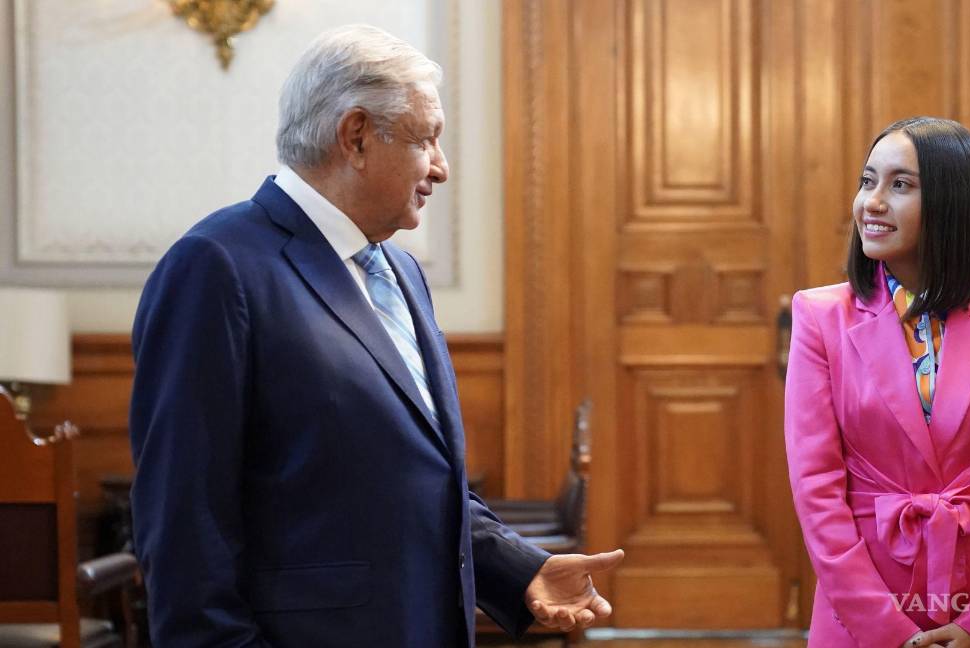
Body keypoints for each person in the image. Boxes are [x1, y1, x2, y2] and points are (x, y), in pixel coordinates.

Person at [129, 24, 623, 648]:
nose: (441, 168)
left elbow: (406, 475)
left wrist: (519, 569)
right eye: (428, 141)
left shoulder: (400, 270)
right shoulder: (215, 267)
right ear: (357, 136)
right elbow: (183, 522)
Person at [784, 117, 970, 647]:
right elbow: (817, 493)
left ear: (951, 202)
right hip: (862, 612)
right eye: (868, 181)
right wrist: (886, 631)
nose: (872, 202)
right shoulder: (820, 316)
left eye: (900, 185)